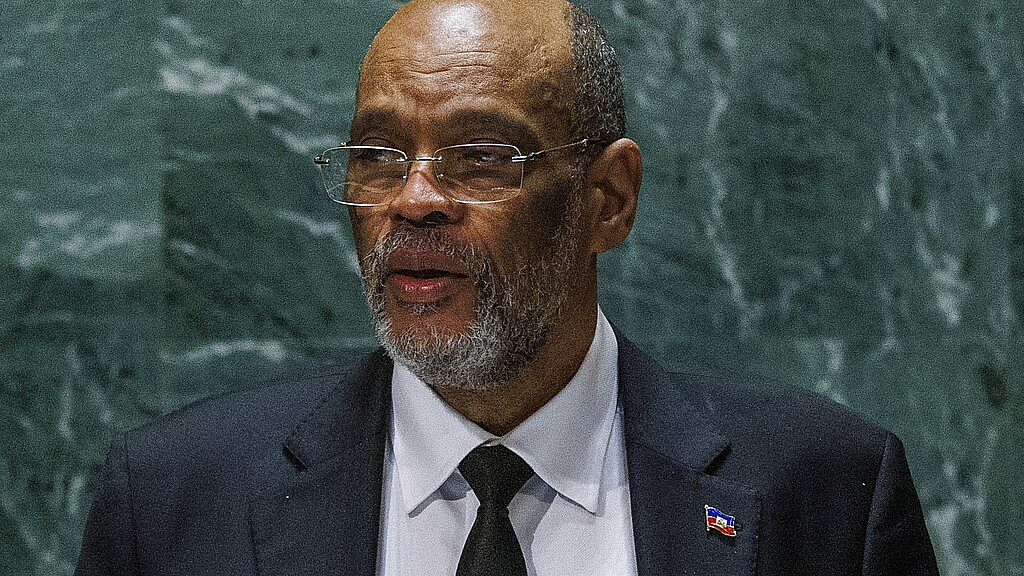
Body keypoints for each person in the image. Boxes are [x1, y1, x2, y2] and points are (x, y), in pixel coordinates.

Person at [75, 0, 940, 574]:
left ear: (609, 199)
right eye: (379, 155)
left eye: (482, 157)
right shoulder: (175, 501)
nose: (414, 199)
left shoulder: (827, 493)